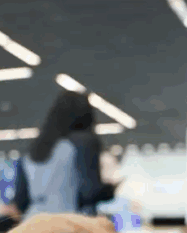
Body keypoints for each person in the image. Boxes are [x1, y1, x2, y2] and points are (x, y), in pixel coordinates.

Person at [10, 90, 118, 218]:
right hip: (68, 223)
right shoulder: (83, 142)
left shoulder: (32, 151)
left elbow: (20, 201)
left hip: (33, 222)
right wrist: (111, 189)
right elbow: (90, 192)